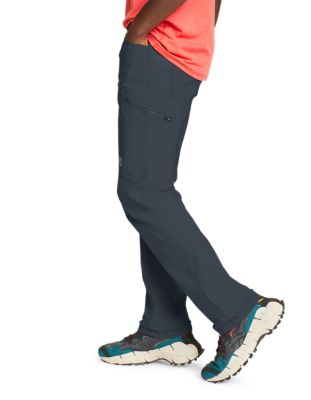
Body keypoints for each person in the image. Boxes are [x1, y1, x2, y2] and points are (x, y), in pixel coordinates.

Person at [98, 0, 285, 383]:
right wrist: (196, 33)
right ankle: (164, 326)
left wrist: (140, 32)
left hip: (159, 48)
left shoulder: (154, 40)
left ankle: (237, 311)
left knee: (144, 193)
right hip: (175, 49)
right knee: (151, 190)